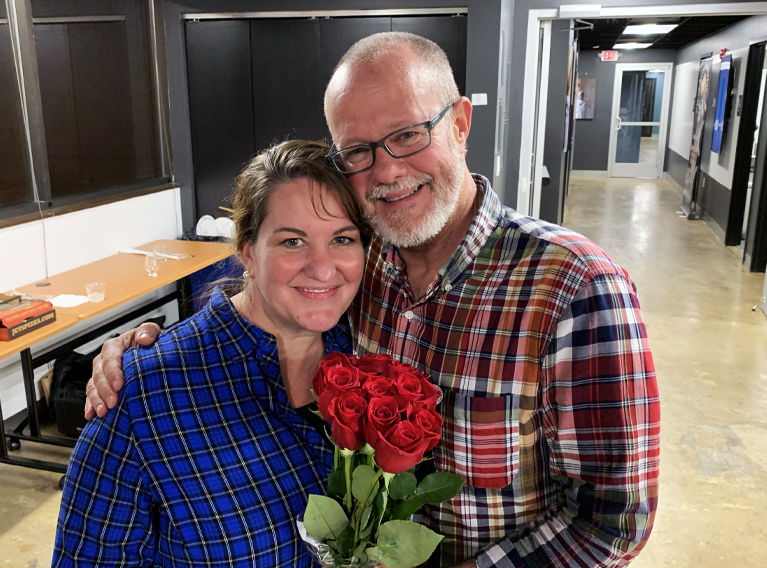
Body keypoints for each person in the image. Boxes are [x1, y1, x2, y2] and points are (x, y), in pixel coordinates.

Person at [86, 33, 660, 568]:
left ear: (460, 122)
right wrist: (141, 355)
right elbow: (273, 294)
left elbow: (613, 521)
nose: (387, 169)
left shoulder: (574, 286)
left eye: (409, 133)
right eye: (357, 150)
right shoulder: (360, 274)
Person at [53, 140, 372, 567]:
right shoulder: (143, 397)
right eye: (293, 241)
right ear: (247, 252)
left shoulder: (366, 355)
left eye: (342, 238)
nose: (322, 266)